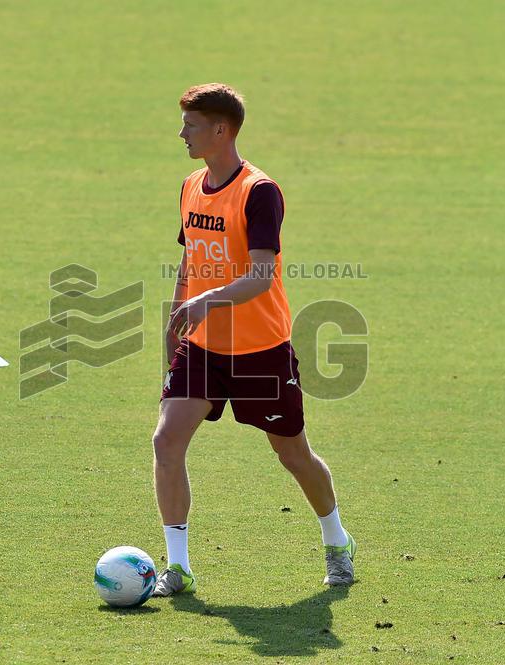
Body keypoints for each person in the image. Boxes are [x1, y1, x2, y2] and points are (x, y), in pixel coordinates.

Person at [152, 83, 355, 597]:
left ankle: (336, 541)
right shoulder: (190, 186)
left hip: (261, 350)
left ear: (221, 130)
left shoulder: (260, 191)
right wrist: (178, 315)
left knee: (293, 455)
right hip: (202, 346)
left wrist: (205, 301)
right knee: (166, 439)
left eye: (191, 126)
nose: (182, 134)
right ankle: (178, 567)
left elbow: (262, 275)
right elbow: (190, 259)